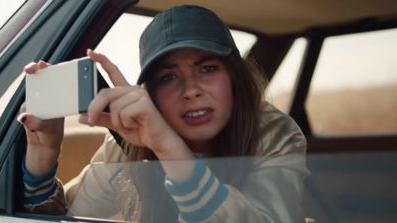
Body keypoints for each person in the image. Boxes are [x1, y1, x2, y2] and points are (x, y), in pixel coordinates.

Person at [18, 4, 309, 223]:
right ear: (151, 93)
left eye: (207, 68)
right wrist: (43, 161)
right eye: (168, 77)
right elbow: (69, 216)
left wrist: (169, 150)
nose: (191, 90)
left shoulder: (273, 133)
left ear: (234, 77)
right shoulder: (129, 142)